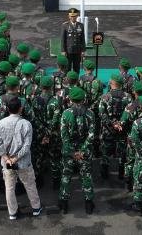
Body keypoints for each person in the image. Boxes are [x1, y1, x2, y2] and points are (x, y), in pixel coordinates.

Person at [0, 97, 43, 221]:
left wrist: (6, 158)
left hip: (7, 163)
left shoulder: (1, 123)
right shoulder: (26, 124)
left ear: (7, 109)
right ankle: (36, 208)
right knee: (30, 185)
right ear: (21, 108)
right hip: (24, 162)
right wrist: (16, 158)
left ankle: (12, 212)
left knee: (9, 188)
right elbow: (26, 146)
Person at [58, 86, 96, 214]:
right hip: (85, 152)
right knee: (86, 175)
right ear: (83, 99)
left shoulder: (66, 113)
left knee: (66, 175)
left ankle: (64, 204)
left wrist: (72, 152)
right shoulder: (90, 113)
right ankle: (89, 204)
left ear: (71, 99)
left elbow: (64, 136)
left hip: (69, 152)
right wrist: (82, 151)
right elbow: (91, 135)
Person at [60, 8, 85, 73]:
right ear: (69, 16)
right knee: (67, 67)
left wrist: (83, 50)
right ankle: (68, 79)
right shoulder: (65, 25)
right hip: (68, 51)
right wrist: (63, 50)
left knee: (77, 67)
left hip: (78, 50)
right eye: (71, 16)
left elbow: (82, 38)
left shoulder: (81, 25)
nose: (73, 18)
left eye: (74, 16)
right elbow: (63, 39)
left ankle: (76, 79)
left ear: (77, 16)